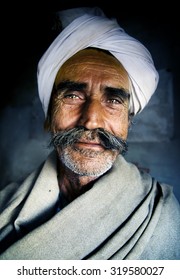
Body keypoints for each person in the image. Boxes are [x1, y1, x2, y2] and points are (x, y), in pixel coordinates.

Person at [0, 6, 179, 260]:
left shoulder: (162, 213)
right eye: (73, 95)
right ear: (49, 117)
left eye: (114, 101)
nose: (92, 120)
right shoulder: (5, 209)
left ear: (129, 122)